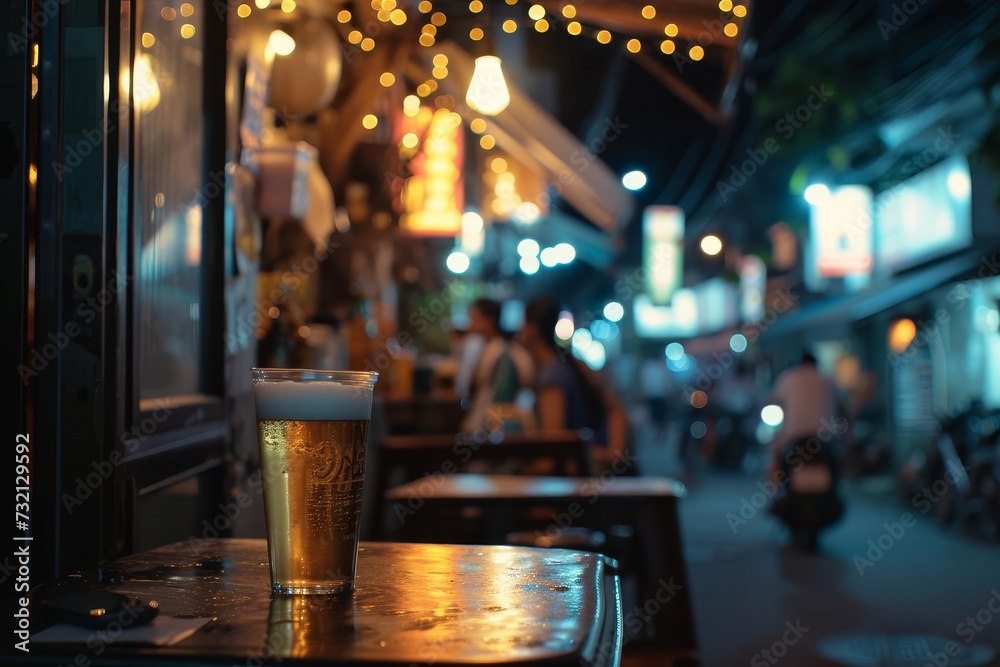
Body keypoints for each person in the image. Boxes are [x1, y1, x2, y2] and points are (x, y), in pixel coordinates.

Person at [519, 296, 631, 474]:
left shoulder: (551, 377)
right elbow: (616, 408)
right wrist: (613, 454)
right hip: (591, 473)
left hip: (572, 480)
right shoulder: (575, 364)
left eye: (522, 323)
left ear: (532, 329)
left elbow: (553, 446)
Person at [766, 351, 847, 482]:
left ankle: (775, 492)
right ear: (816, 364)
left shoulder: (787, 378)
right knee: (837, 468)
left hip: (793, 436)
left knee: (777, 466)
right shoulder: (828, 380)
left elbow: (774, 402)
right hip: (824, 437)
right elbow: (843, 408)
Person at [459, 298, 534, 434]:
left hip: (485, 425)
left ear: (490, 320)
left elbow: (467, 387)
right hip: (505, 426)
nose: (470, 323)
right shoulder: (515, 351)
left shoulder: (491, 350)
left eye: (475, 318)